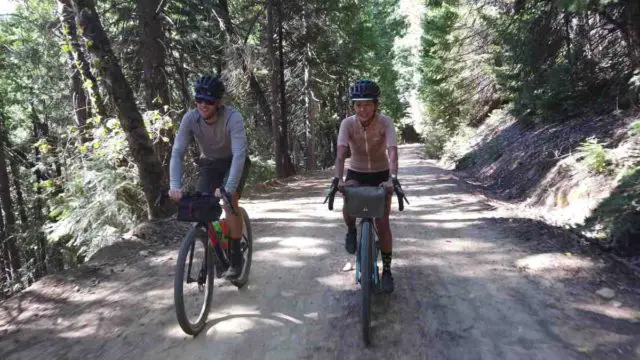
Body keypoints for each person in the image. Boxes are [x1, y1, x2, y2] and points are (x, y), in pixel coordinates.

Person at [169, 75, 250, 279]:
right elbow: (178, 152)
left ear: (219, 102)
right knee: (201, 204)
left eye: (209, 101)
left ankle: (236, 258)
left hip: (234, 161)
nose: (203, 105)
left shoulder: (233, 118)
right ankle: (216, 243)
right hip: (210, 162)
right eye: (199, 100)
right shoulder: (190, 118)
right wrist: (174, 185)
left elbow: (240, 154)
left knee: (228, 202)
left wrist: (228, 188)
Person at [333, 79, 399, 293]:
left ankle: (387, 271)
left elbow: (392, 150)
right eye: (358, 104)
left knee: (383, 223)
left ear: (375, 104)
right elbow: (341, 152)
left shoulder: (385, 122)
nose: (362, 109)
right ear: (353, 106)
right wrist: (338, 179)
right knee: (348, 201)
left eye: (367, 104)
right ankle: (352, 230)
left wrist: (393, 178)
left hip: (381, 173)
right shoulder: (347, 124)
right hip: (357, 173)